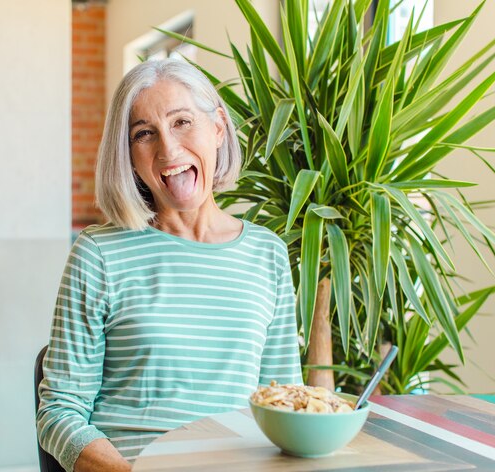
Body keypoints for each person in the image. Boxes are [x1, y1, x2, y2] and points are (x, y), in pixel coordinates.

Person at [36, 58, 302, 472]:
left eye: (182, 122)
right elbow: (58, 414)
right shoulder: (98, 254)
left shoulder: (267, 253)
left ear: (217, 128)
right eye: (145, 134)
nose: (168, 149)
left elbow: (285, 400)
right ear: (129, 156)